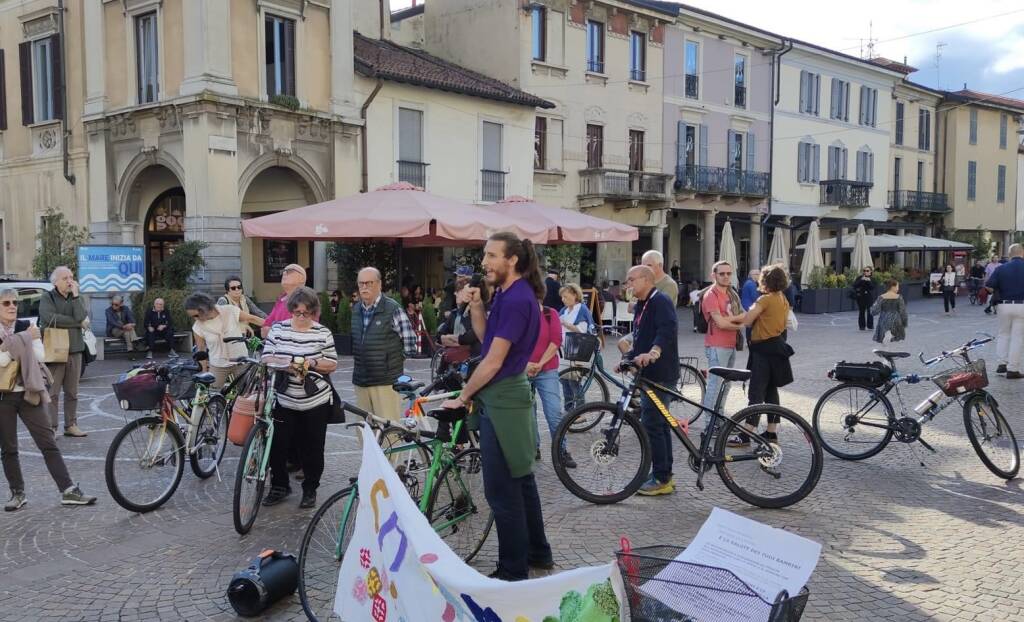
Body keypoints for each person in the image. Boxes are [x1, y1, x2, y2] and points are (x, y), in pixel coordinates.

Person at [440, 232, 552, 581]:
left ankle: (512, 571)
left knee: (502, 491)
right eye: (484, 255)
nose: (484, 262)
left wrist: (463, 396)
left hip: (503, 398)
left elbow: (491, 361)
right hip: (507, 397)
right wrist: (476, 306)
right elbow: (488, 337)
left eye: (491, 255)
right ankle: (537, 553)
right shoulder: (509, 293)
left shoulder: (518, 299)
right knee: (521, 480)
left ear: (512, 260)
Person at [0, 288, 97, 511]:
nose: (13, 306)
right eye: (6, 303)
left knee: (48, 443)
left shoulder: (26, 326)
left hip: (28, 393)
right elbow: (1, 360)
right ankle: (18, 493)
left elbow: (41, 355)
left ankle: (68, 490)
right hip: (3, 396)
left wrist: (16, 343)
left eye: (15, 302)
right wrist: (23, 340)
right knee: (9, 448)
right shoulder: (27, 332)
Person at [261, 287, 338, 509]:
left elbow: (332, 364)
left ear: (314, 312)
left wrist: (311, 363)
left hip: (315, 400)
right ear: (291, 311)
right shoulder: (279, 330)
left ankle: (310, 488)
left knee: (313, 447)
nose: (302, 317)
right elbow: (267, 357)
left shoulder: (322, 332)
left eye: (307, 313)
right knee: (278, 445)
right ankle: (279, 486)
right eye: (297, 312)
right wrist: (287, 364)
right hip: (285, 398)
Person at [620, 265, 678, 496]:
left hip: (661, 373)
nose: (628, 285)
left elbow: (667, 330)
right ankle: (663, 474)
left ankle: (662, 478)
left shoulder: (660, 300)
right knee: (658, 424)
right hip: (648, 374)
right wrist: (628, 359)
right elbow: (639, 338)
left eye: (631, 280)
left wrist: (654, 352)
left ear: (645, 279)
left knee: (653, 424)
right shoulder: (643, 305)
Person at [730, 265, 794, 447]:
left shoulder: (765, 299)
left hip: (763, 349)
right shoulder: (783, 299)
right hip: (776, 346)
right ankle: (771, 433)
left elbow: (748, 320)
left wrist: (728, 317)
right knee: (771, 390)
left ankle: (746, 434)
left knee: (756, 391)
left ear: (765, 281)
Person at [352, 267, 418, 422]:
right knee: (365, 429)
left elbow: (410, 342)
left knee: (389, 429)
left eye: (369, 283)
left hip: (386, 382)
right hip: (361, 380)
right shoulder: (356, 310)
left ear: (379, 284)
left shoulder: (392, 308)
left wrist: (392, 362)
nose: (364, 287)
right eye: (361, 283)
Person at [38, 267, 88, 437]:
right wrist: (76, 322)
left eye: (71, 277)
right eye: (65, 278)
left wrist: (75, 297)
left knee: (72, 392)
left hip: (75, 350)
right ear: (56, 281)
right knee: (53, 392)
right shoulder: (47, 297)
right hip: (55, 350)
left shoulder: (77, 297)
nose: (70, 281)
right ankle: (51, 427)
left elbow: (82, 315)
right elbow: (50, 318)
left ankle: (71, 425)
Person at [527, 298, 574, 468]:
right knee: (528, 414)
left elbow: (555, 341)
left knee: (553, 411)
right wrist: (526, 365)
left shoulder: (550, 313)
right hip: (523, 370)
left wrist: (539, 364)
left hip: (546, 369)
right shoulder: (520, 315)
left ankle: (561, 450)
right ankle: (533, 448)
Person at [185, 292, 262, 388]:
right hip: (218, 366)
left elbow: (252, 319)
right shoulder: (197, 327)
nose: (195, 319)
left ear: (205, 309)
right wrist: (204, 372)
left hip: (241, 361)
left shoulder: (229, 311)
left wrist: (274, 327)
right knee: (213, 396)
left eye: (196, 315)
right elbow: (201, 350)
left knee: (244, 395)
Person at [701, 261, 742, 416]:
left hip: (731, 345)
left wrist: (737, 320)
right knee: (715, 386)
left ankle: (718, 418)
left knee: (726, 386)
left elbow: (739, 316)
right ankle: (708, 425)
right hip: (716, 346)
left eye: (728, 273)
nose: (726, 277)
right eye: (722, 274)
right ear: (714, 275)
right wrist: (739, 323)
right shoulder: (711, 295)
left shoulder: (732, 294)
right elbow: (720, 323)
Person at [987, 243, 1024, 379]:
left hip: (1004, 305)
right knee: (1017, 337)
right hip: (1022, 305)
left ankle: (1002, 363)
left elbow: (989, 287)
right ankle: (1012, 369)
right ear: (1022, 253)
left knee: (1003, 334)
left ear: (1009, 254)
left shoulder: (1001, 268)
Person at [262, 264, 311, 338]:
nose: (284, 273)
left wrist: (273, 329)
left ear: (301, 279)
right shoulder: (281, 299)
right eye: (284, 271)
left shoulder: (307, 300)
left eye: (289, 271)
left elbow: (300, 332)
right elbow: (264, 329)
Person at [871, 279, 908, 344]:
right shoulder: (899, 297)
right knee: (896, 343)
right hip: (896, 321)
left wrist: (873, 307)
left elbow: (874, 311)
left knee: (885, 343)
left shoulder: (881, 297)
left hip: (884, 321)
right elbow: (903, 312)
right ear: (893, 287)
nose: (898, 289)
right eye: (897, 287)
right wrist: (904, 323)